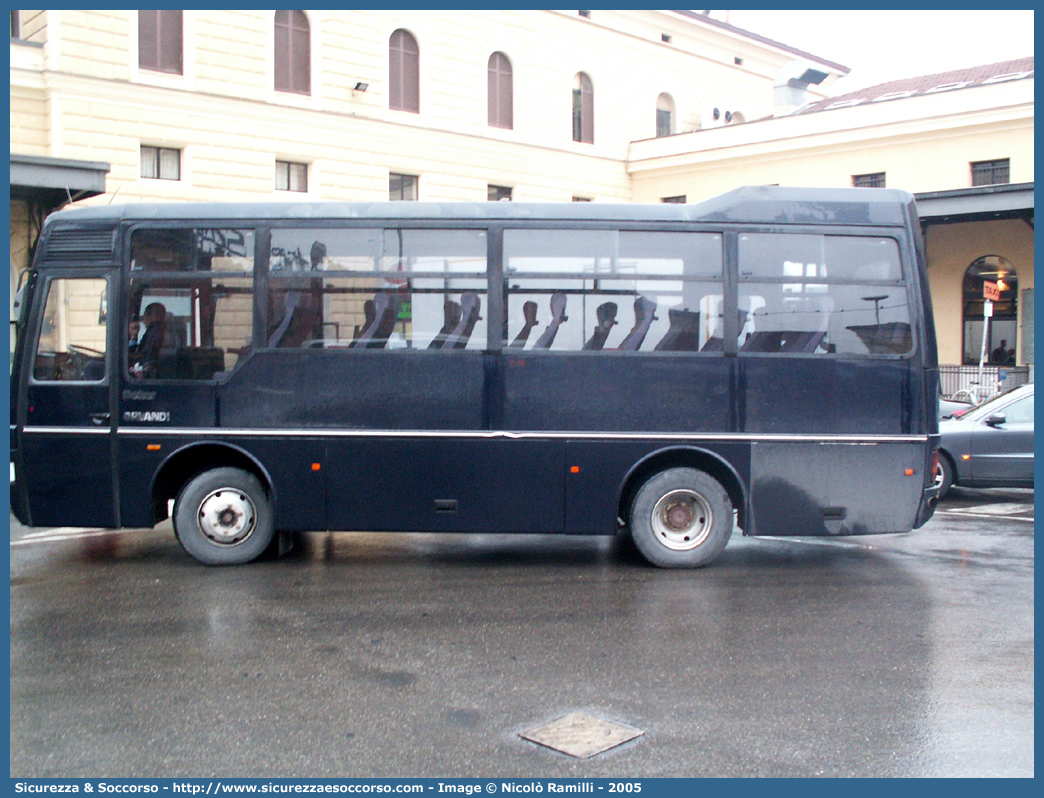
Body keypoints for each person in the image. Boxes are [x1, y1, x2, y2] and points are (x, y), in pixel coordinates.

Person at [129, 302, 167, 377]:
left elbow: (141, 355)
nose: (143, 322)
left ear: (150, 317)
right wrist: (134, 336)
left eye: (144, 317)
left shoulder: (154, 332)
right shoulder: (162, 330)